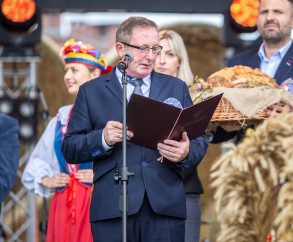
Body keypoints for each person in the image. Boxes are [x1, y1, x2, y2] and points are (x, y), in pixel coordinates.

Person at [61, 16, 208, 242]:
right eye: (143, 49)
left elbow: (199, 141)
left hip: (164, 207)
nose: (151, 57)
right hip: (112, 206)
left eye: (155, 48)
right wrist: (102, 139)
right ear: (121, 49)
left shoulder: (175, 87)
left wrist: (186, 152)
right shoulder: (92, 91)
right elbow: (70, 148)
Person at [211, 0, 293, 143]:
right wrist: (208, 126)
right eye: (264, 12)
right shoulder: (237, 64)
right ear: (257, 19)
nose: (270, 17)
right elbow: (226, 129)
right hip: (247, 162)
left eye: (278, 12)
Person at [22, 39, 111, 242]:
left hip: (98, 201)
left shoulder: (109, 115)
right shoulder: (62, 117)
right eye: (66, 70)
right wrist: (47, 179)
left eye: (74, 70)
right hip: (64, 204)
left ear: (95, 74)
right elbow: (38, 160)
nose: (67, 76)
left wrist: (100, 175)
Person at [155, 29, 202, 242]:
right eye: (158, 52)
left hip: (184, 191)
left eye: (170, 54)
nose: (162, 60)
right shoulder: (138, 95)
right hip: (148, 194)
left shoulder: (197, 97)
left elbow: (204, 143)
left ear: (180, 61)